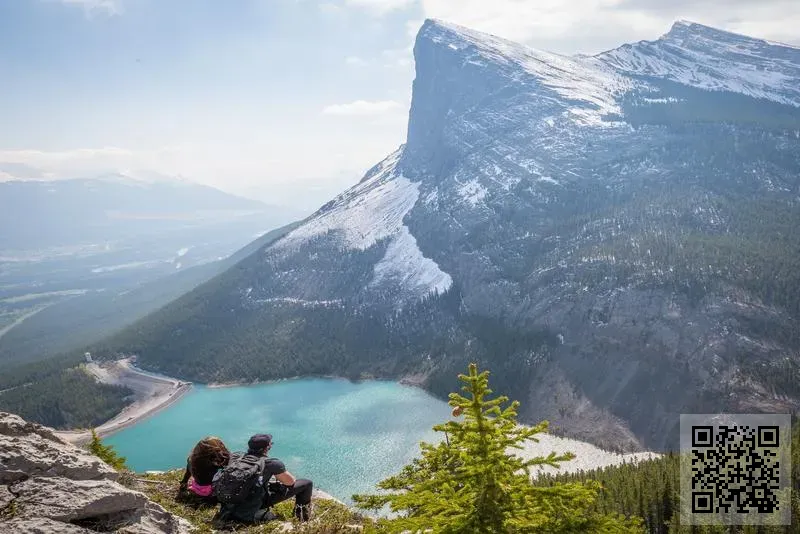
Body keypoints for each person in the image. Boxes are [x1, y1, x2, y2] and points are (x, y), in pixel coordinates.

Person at [217, 433, 313, 523]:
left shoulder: (236, 457)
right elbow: (290, 482)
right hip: (250, 510)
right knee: (307, 483)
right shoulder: (272, 463)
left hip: (228, 506)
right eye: (270, 444)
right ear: (267, 448)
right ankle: (302, 518)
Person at [178, 436, 231, 505]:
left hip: (197, 487)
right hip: (211, 490)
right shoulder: (216, 462)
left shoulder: (191, 459)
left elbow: (188, 472)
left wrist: (184, 481)